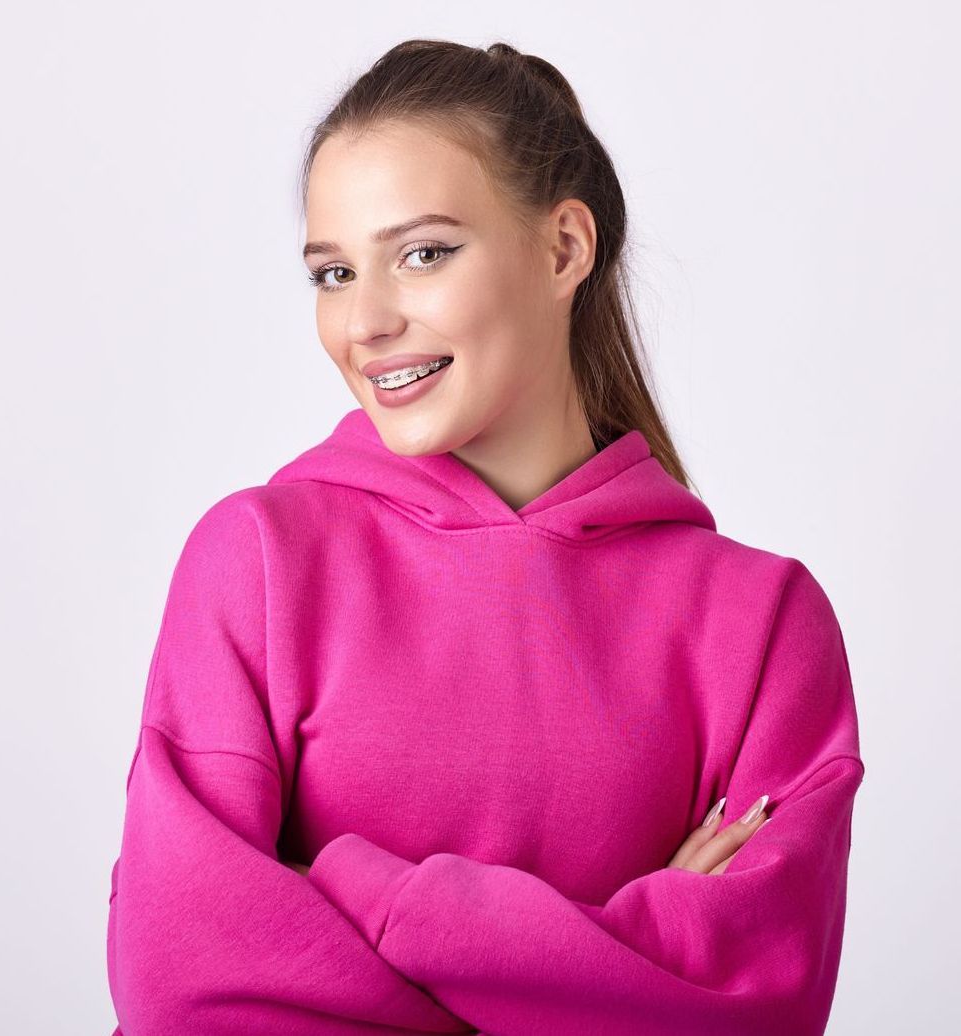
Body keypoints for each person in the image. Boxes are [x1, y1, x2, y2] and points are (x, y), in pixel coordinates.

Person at [106, 38, 865, 1036]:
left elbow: (749, 1007)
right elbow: (187, 984)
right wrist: (599, 960)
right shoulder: (258, 561)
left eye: (422, 252)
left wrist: (355, 896)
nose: (364, 321)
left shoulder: (761, 624)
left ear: (563, 250)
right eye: (333, 272)